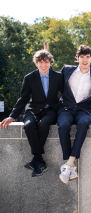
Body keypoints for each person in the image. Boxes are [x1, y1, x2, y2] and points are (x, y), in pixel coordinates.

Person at [0, 49, 64, 177]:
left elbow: (65, 95)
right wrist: (12, 116)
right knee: (29, 125)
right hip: (33, 109)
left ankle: (36, 160)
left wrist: (66, 111)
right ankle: (40, 160)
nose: (43, 65)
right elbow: (23, 99)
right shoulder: (29, 78)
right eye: (40, 62)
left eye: (46, 62)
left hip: (51, 111)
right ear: (36, 63)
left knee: (44, 124)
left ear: (50, 63)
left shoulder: (58, 77)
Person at [57, 45, 91, 184]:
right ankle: (71, 167)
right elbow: (52, 80)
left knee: (83, 124)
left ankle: (68, 164)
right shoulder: (66, 70)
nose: (85, 60)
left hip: (84, 110)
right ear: (77, 58)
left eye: (87, 57)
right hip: (66, 108)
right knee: (62, 126)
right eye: (82, 57)